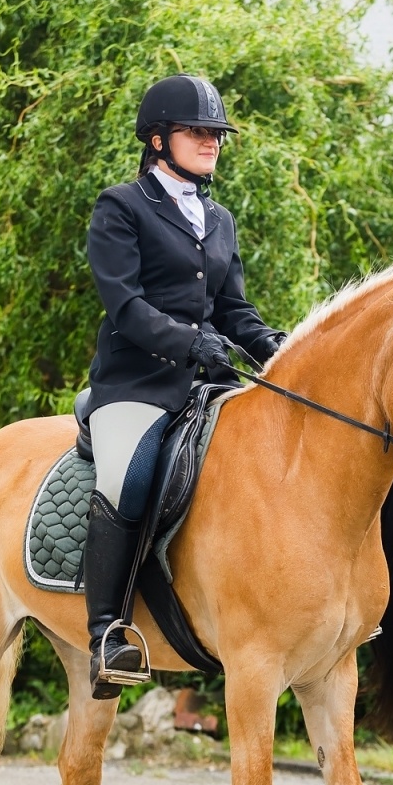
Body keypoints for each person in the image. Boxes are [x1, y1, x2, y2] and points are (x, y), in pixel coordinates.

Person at [82, 74, 285, 698]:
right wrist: (188, 342)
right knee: (131, 476)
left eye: (216, 134)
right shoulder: (120, 207)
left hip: (206, 386)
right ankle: (107, 632)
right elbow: (126, 306)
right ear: (158, 139)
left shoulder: (218, 219)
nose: (212, 142)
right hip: (134, 385)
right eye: (199, 132)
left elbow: (233, 310)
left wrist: (278, 348)